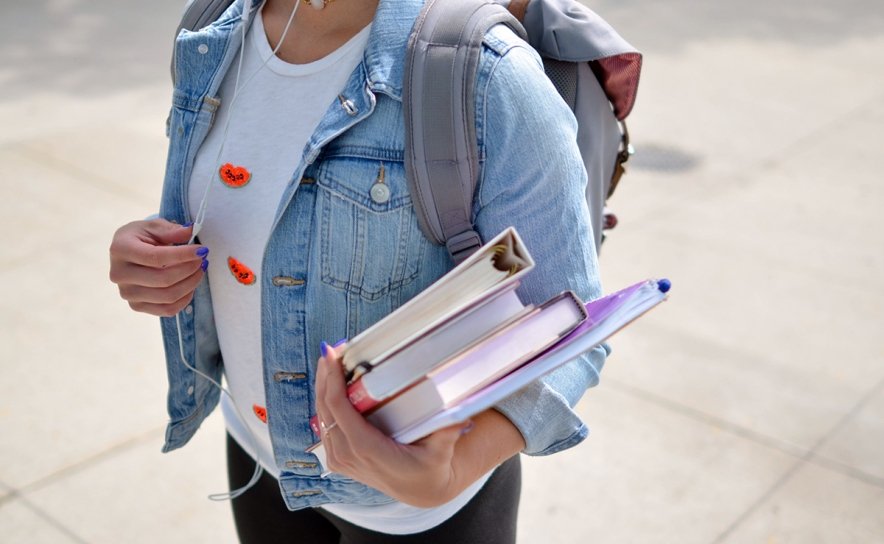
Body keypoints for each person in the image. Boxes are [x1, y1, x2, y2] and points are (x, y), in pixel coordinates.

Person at [108, 0, 607, 541]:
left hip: (419, 516)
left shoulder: (486, 75)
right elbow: (241, 209)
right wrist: (154, 256)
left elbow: (568, 323)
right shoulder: (212, 28)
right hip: (257, 460)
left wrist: (450, 474)